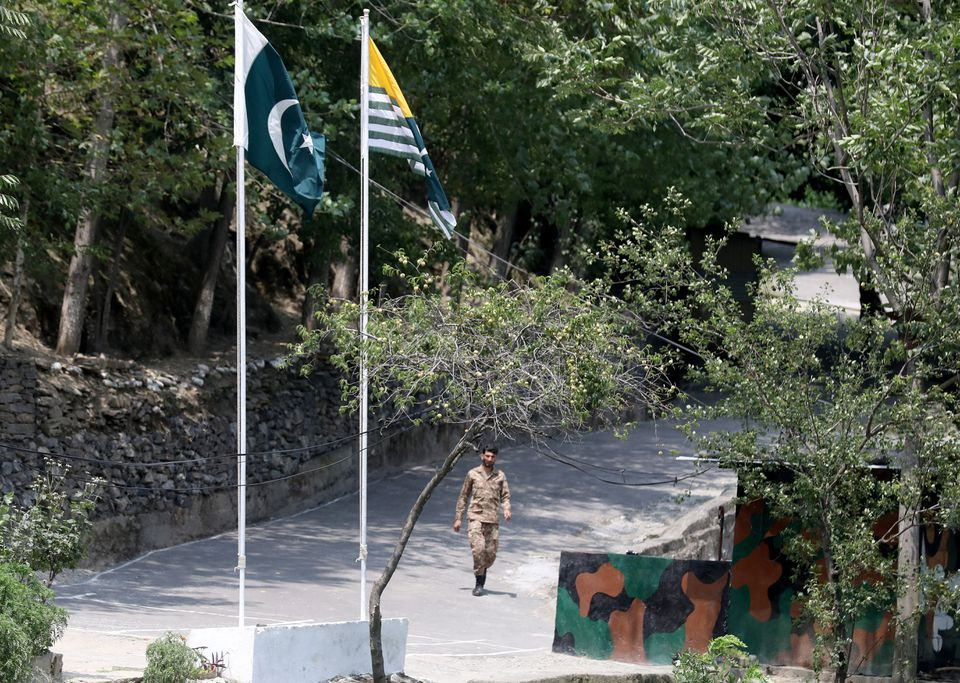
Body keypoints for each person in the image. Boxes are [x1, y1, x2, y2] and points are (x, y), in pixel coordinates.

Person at [453, 445, 511, 596]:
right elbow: (463, 496)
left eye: (493, 457)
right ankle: (479, 584)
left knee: (489, 555)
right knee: (478, 550)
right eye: (487, 456)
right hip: (475, 517)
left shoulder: (500, 476)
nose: (490, 459)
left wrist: (506, 509)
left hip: (492, 519)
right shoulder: (473, 474)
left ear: (495, 458)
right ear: (482, 456)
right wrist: (458, 518)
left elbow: (505, 496)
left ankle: (482, 570)